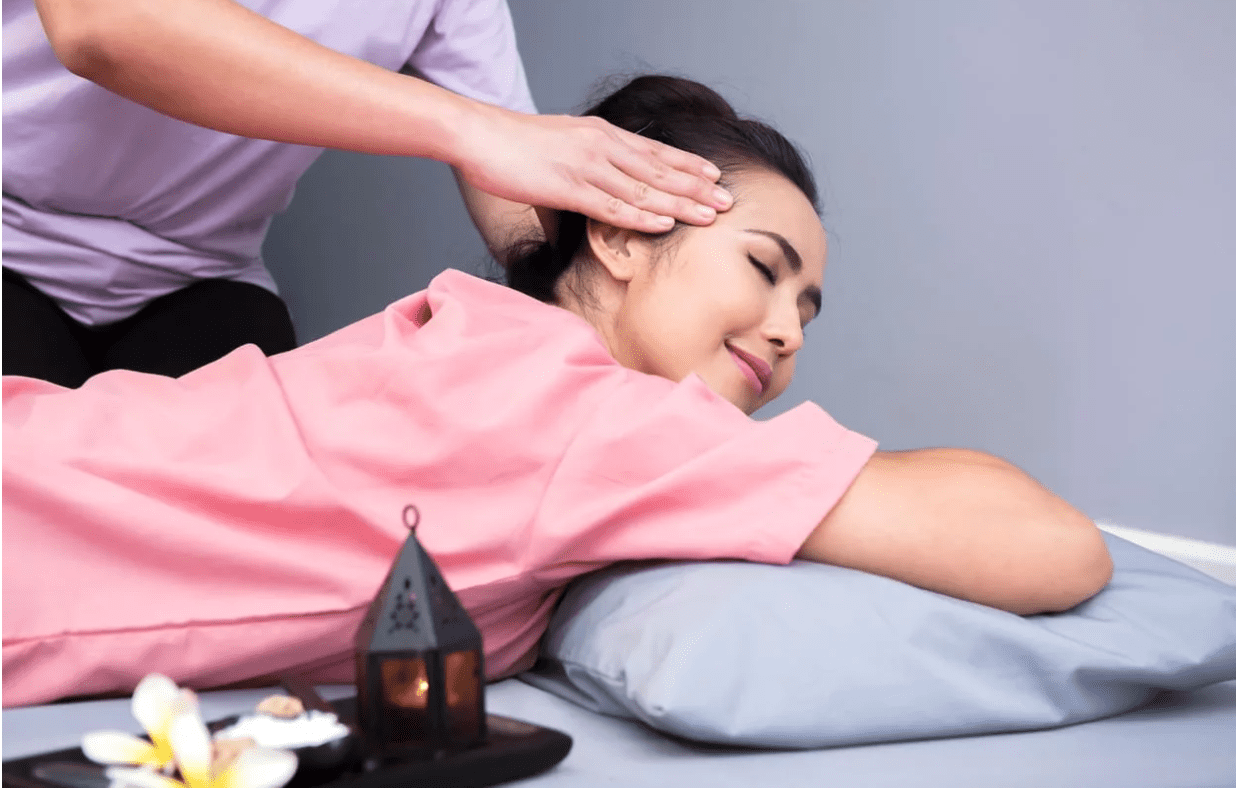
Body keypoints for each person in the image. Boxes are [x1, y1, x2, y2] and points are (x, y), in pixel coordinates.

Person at [2, 75, 1113, 708]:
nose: (783, 329)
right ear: (622, 235)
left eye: (808, 311)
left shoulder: (466, 330)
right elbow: (1055, 549)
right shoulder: (595, 417)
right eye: (763, 269)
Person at [4, 0, 733, 388]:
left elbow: (517, 200)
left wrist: (662, 290)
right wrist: (466, 127)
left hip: (199, 278)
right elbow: (104, 23)